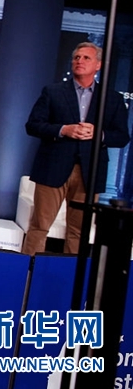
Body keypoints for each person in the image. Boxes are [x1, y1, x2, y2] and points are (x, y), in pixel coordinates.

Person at [21, 42, 129, 255]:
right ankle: (29, 268)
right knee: (39, 226)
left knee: (78, 230)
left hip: (90, 171)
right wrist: (64, 130)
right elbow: (32, 125)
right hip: (52, 167)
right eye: (76, 57)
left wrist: (99, 134)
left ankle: (70, 272)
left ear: (98, 65)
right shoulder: (53, 92)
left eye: (86, 58)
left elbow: (122, 136)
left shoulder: (112, 98)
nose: (79, 61)